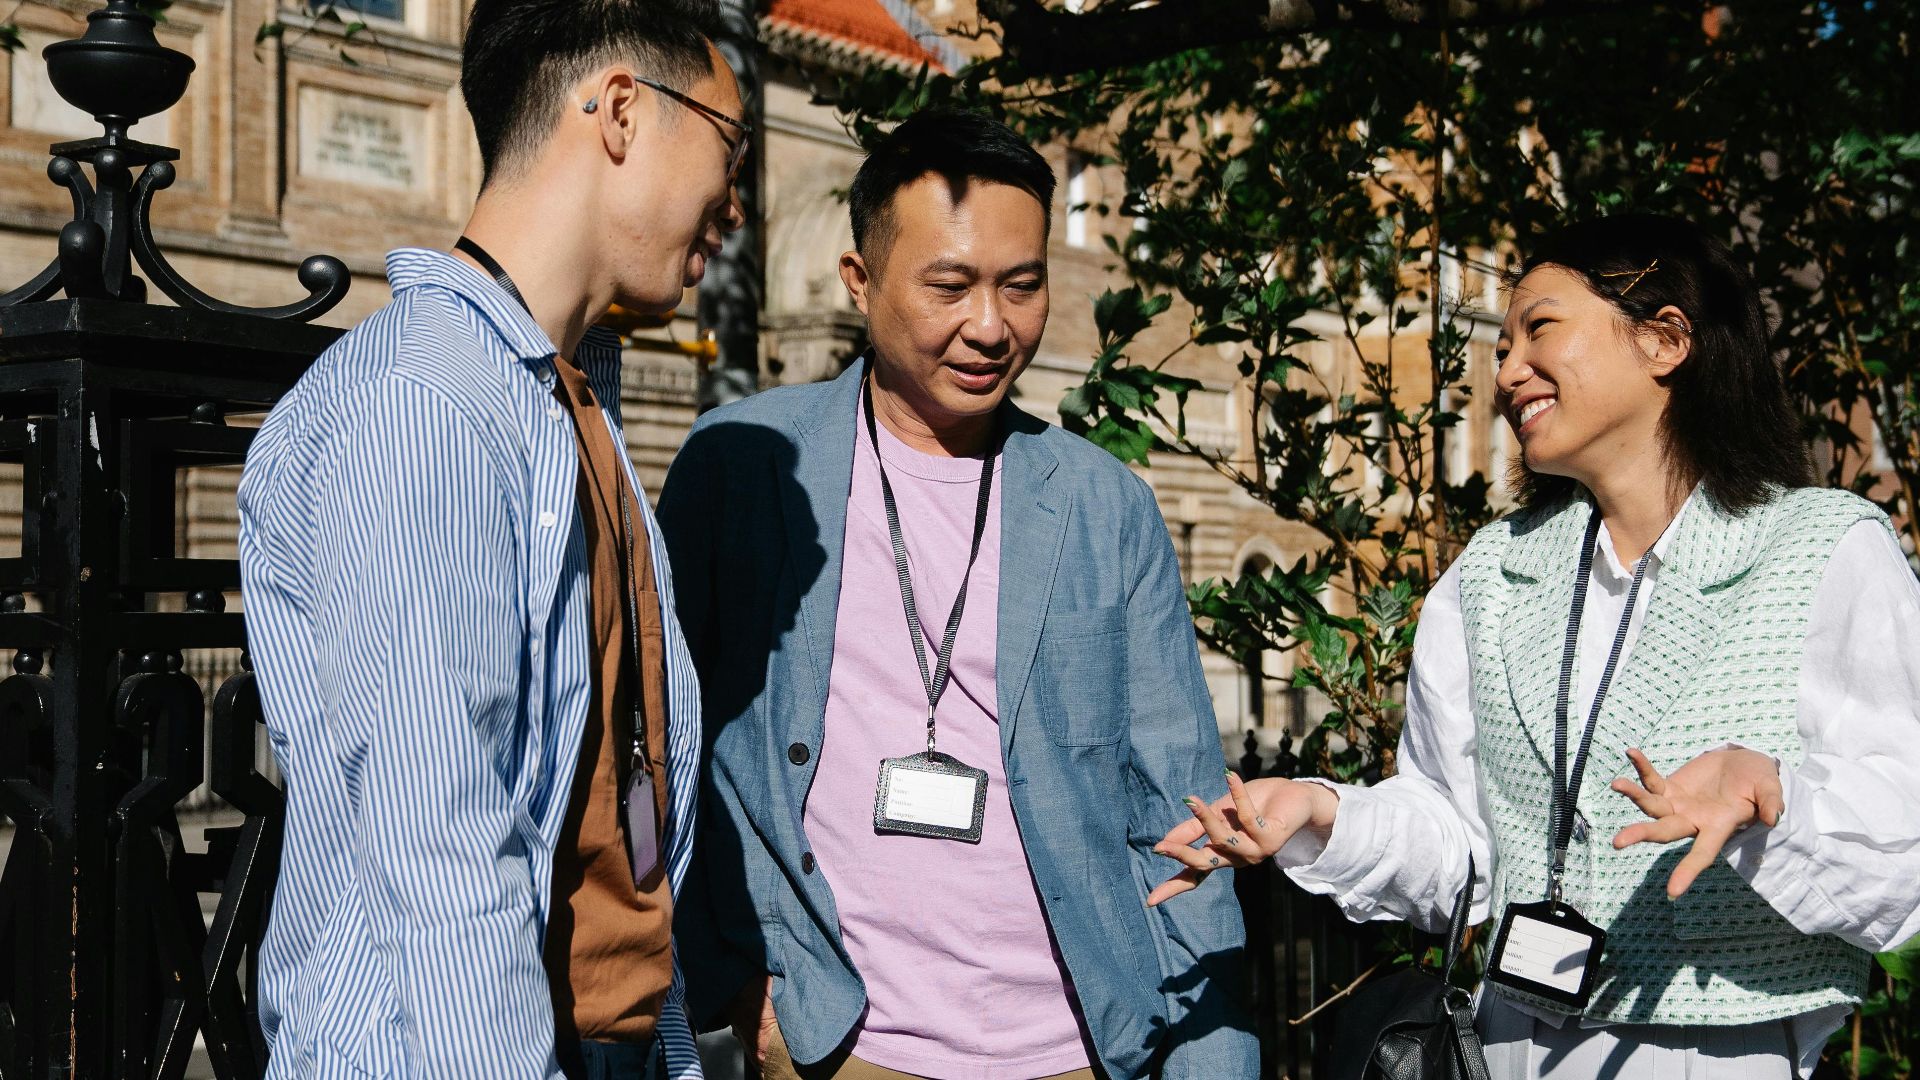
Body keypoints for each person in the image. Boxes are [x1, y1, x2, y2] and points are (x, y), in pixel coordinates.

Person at [1150, 214, 1920, 1078]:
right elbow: (1460, 844)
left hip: (1717, 1052)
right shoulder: (1494, 574)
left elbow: (1906, 840)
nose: (1507, 368)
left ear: (1665, 340)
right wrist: (1322, 815)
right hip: (1507, 1044)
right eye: (1505, 341)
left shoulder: (1822, 549)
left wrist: (1774, 800)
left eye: (1540, 328)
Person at [658, 108, 1257, 1080]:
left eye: (1022, 287)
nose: (991, 326)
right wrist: (728, 971)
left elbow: (1177, 808)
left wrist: (1215, 1059)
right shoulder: (745, 468)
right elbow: (670, 748)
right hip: (839, 1047)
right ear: (861, 281)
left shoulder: (1105, 507)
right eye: (951, 285)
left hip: (1076, 1050)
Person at [236, 0, 746, 1075]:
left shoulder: (564, 400)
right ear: (618, 109)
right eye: (727, 148)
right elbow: (443, 850)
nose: (734, 208)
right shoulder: (426, 403)